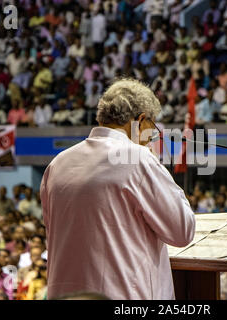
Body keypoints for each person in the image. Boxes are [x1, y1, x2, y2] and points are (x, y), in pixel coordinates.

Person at [41, 78, 195, 300]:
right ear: (140, 120)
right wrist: (157, 166)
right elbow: (183, 230)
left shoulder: (57, 164)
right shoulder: (139, 158)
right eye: (153, 127)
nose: (152, 135)